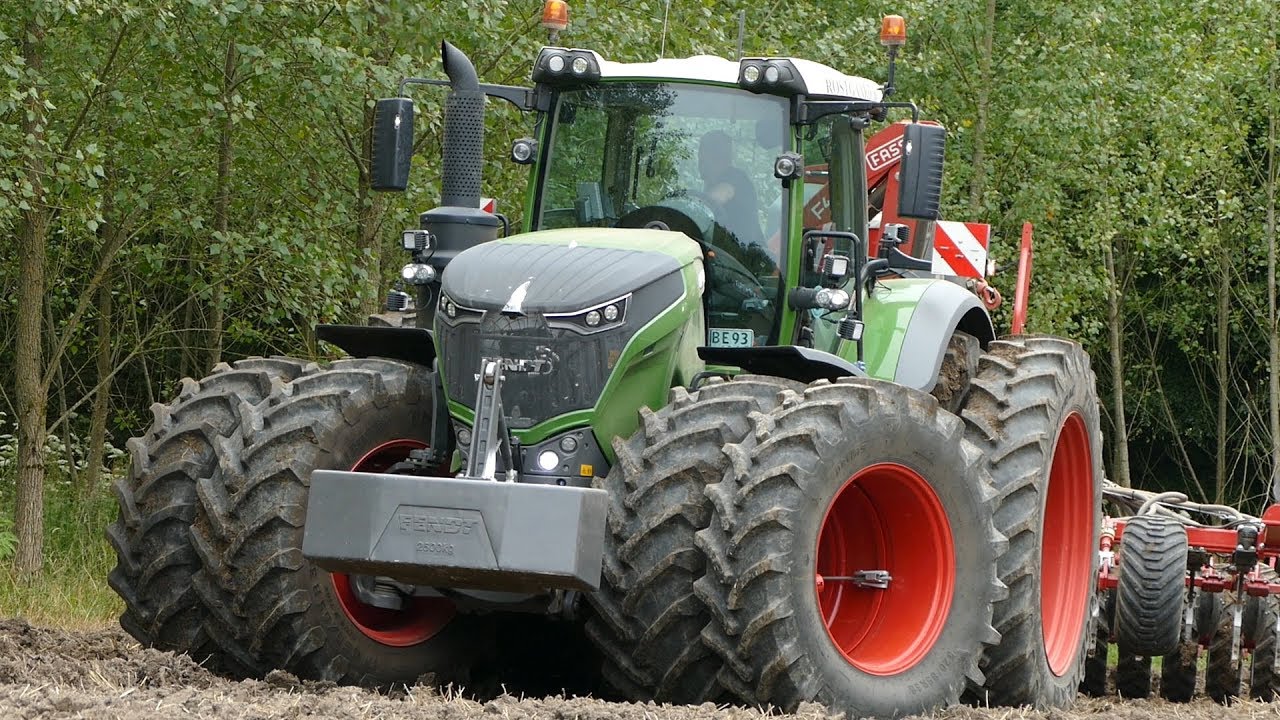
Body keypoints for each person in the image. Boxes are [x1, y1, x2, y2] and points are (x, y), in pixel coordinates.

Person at [697, 130, 764, 250]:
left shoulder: (735, 178)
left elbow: (718, 197)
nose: (699, 162)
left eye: (702, 158)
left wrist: (689, 210)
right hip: (724, 251)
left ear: (718, 157)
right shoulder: (710, 183)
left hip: (746, 258)